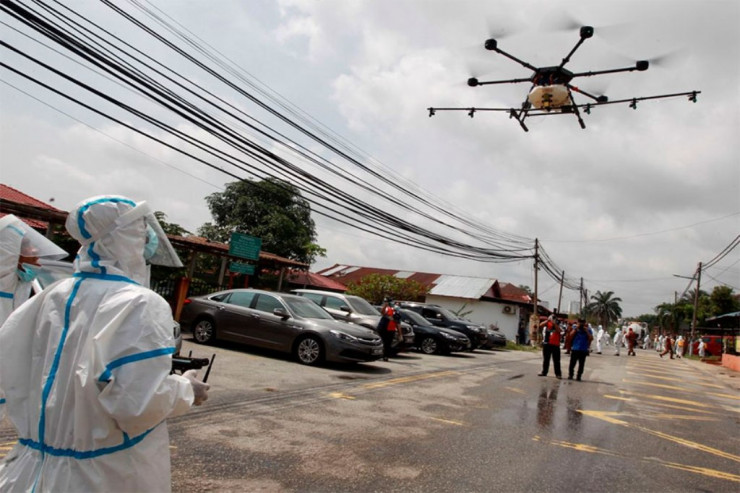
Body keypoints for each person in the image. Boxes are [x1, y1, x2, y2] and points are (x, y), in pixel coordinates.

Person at [0, 196, 209, 492]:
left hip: (30, 472)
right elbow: (136, 406)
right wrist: (185, 388)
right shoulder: (141, 303)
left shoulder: (52, 295)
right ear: (122, 237)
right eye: (141, 231)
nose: (148, 239)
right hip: (102, 475)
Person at [0, 214, 68, 324]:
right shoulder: (5, 286)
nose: (35, 250)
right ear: (10, 251)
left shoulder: (19, 286)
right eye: (26, 245)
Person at [377, 296, 400, 361]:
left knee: (388, 343)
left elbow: (398, 321)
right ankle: (379, 355)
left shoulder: (395, 309)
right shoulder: (386, 308)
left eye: (387, 301)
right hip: (383, 327)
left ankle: (385, 356)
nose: (386, 302)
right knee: (381, 341)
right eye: (385, 301)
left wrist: (399, 333)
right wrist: (385, 306)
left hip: (391, 329)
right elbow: (382, 313)